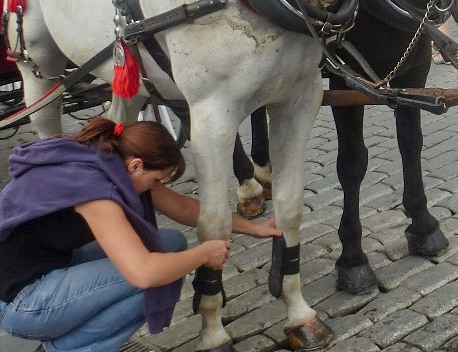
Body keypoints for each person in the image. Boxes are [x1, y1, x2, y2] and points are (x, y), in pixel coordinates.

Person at [0, 116, 282, 352]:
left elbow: (182, 206)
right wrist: (204, 253)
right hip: (22, 302)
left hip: (45, 266)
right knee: (157, 276)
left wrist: (252, 228)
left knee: (171, 244)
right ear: (136, 166)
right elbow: (144, 272)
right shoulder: (96, 193)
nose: (154, 187)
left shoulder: (106, 155)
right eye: (155, 180)